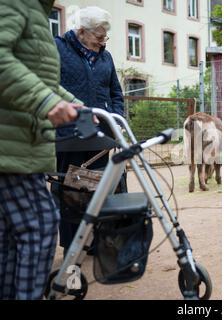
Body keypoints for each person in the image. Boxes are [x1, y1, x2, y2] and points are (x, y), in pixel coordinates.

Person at [0, 0, 83, 299]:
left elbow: (38, 77)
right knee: (41, 227)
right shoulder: (15, 3)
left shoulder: (36, 10)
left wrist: (76, 104)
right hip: (13, 147)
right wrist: (45, 103)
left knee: (13, 238)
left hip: (22, 144)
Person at [54, 6, 125, 254]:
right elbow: (50, 88)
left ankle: (99, 241)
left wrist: (116, 118)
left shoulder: (105, 57)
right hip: (69, 134)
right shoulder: (59, 48)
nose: (102, 40)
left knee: (101, 188)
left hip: (101, 136)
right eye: (98, 35)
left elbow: (116, 92)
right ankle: (72, 247)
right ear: (81, 31)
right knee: (71, 192)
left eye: (105, 35)